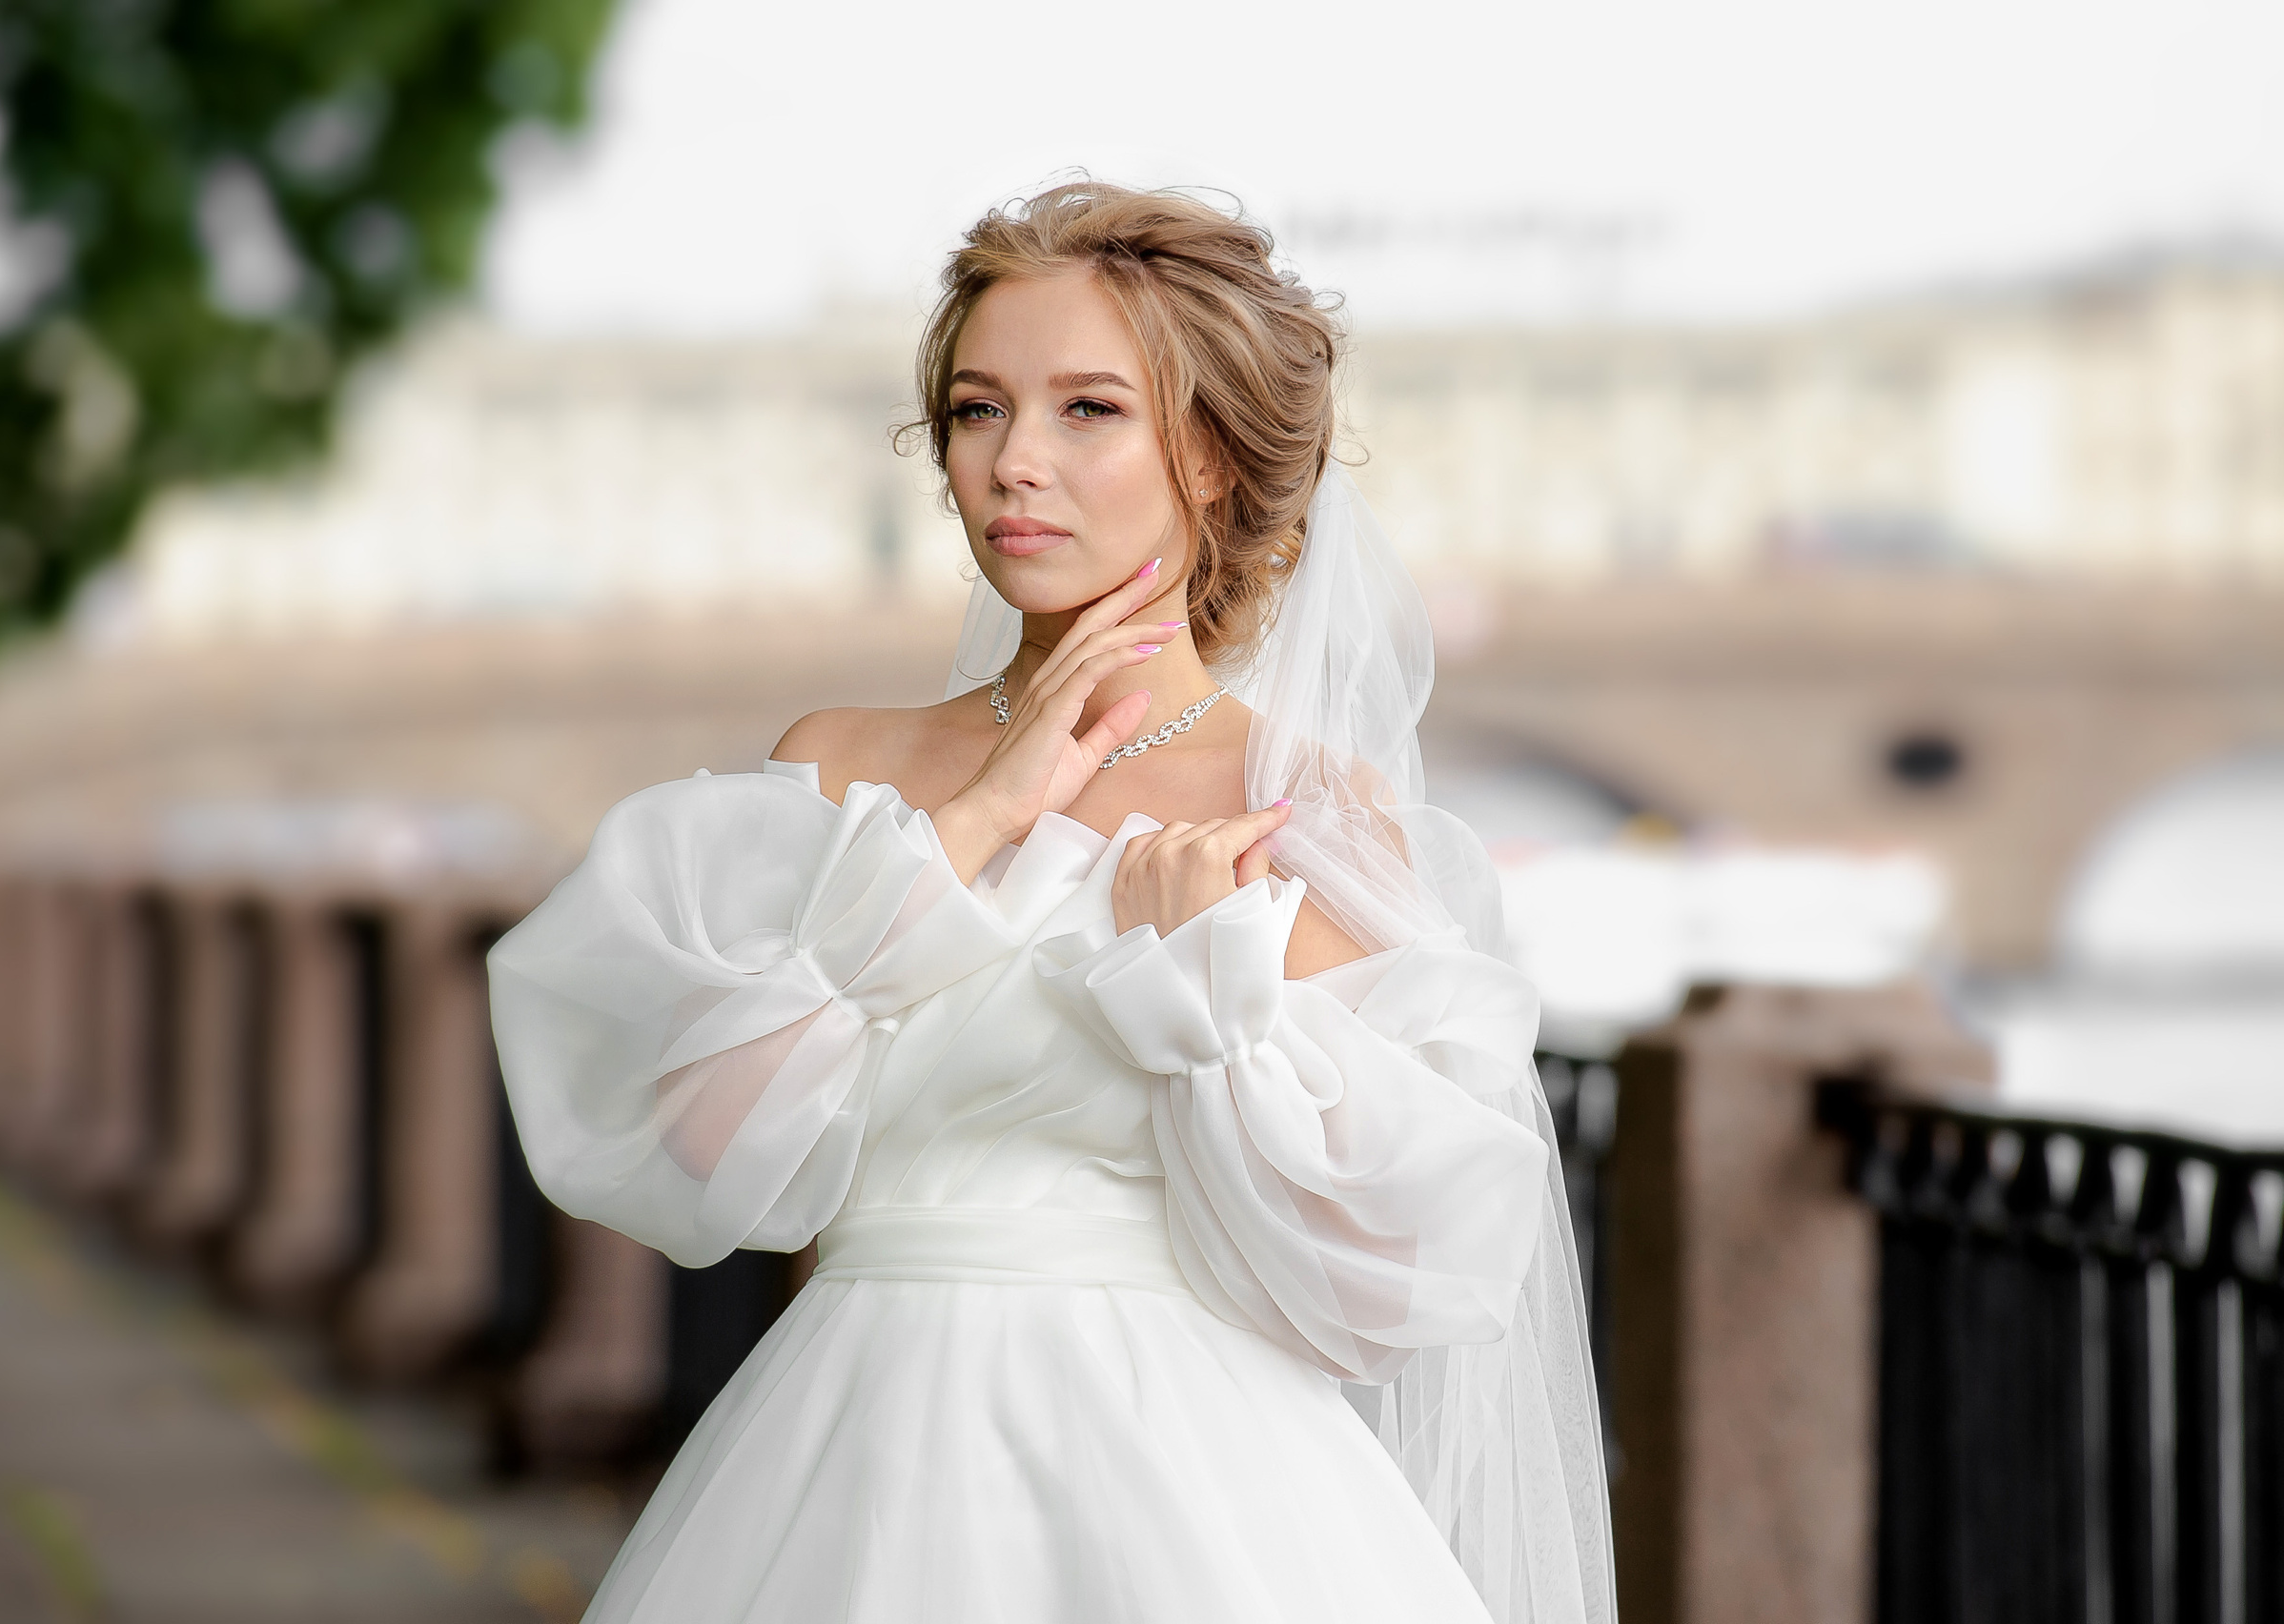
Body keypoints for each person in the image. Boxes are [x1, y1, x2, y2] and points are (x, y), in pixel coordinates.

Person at [487, 182, 1614, 1624]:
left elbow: (1393, 1280)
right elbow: (694, 1142)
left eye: (1089, 411)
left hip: (1195, 1492)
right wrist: (963, 831)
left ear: (1206, 458)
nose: (1017, 462)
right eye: (976, 410)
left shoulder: (1300, 810)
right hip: (850, 1460)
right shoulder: (841, 763)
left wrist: (1207, 1000)